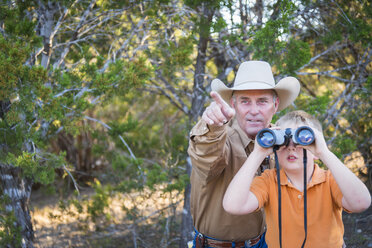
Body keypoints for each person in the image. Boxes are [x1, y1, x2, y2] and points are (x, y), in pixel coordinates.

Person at [187, 61, 300, 248]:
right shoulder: (219, 136)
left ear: (275, 104)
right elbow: (206, 157)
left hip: (266, 241)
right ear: (233, 104)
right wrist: (213, 126)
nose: (254, 111)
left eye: (262, 101)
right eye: (245, 101)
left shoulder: (280, 139)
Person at [223, 110, 371, 248]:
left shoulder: (331, 180)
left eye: (302, 141)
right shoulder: (268, 181)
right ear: (275, 147)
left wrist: (324, 152)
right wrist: (258, 154)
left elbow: (361, 203)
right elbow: (233, 206)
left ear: (315, 146)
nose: (291, 147)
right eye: (283, 142)